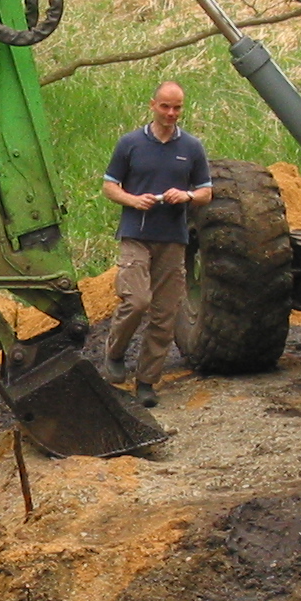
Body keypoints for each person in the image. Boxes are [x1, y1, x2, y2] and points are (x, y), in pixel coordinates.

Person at [101, 80, 212, 407]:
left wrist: (187, 195)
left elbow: (206, 192)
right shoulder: (131, 143)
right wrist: (134, 200)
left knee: (165, 314)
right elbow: (109, 186)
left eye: (177, 107)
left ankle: (147, 381)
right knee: (136, 301)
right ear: (153, 105)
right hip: (136, 234)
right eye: (165, 106)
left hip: (173, 239)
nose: (171, 113)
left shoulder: (192, 148)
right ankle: (116, 353)